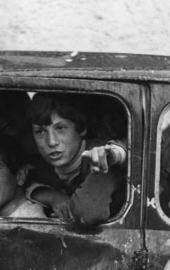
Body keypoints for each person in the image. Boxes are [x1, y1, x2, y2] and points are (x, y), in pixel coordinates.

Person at [27, 92, 127, 225]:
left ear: (81, 129)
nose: (51, 142)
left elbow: (87, 213)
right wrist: (53, 197)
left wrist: (114, 156)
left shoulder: (101, 155)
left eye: (60, 128)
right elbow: (23, 183)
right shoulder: (42, 167)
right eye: (40, 132)